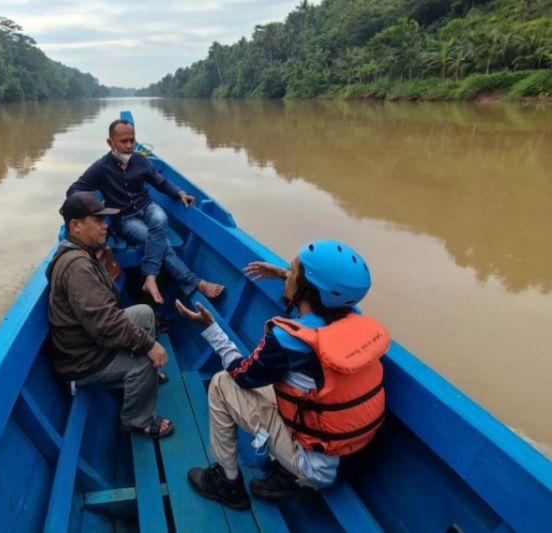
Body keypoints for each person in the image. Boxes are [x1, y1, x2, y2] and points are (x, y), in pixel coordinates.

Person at [175, 240, 390, 508]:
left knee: (221, 384)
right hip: (354, 458)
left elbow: (243, 374)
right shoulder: (351, 322)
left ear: (309, 290)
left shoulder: (287, 340)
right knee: (288, 388)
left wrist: (211, 328)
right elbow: (318, 300)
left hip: (316, 467)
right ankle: (287, 467)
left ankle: (227, 484)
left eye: (291, 269)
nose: (286, 272)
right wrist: (283, 275)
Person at [46, 191, 174, 438]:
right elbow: (104, 324)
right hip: (83, 360)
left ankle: (143, 380)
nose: (105, 226)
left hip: (88, 340)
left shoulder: (80, 251)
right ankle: (138, 421)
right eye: (98, 221)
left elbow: (104, 318)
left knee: (144, 313)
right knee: (146, 358)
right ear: (76, 226)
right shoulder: (77, 267)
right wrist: (149, 345)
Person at [67, 119, 224, 305]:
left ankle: (150, 275)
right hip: (124, 218)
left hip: (146, 206)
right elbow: (75, 189)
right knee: (159, 241)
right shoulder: (101, 168)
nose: (128, 146)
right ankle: (195, 283)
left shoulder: (141, 161)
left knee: (160, 219)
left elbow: (160, 182)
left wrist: (180, 193)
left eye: (131, 141)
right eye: (123, 141)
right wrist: (93, 207)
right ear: (110, 143)